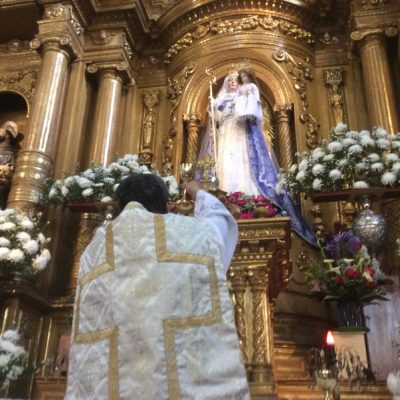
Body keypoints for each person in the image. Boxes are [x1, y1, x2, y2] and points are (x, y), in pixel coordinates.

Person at [65, 174, 250, 399]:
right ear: (167, 206)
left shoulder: (94, 251)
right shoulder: (194, 234)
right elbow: (221, 219)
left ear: (120, 206)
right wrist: (197, 192)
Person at [199, 69, 316, 246]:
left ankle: (246, 199)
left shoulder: (245, 94)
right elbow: (217, 120)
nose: (231, 83)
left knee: (243, 164)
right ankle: (226, 197)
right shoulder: (222, 100)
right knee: (225, 165)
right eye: (229, 81)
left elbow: (252, 112)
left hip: (241, 135)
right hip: (225, 136)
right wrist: (214, 107)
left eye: (234, 81)